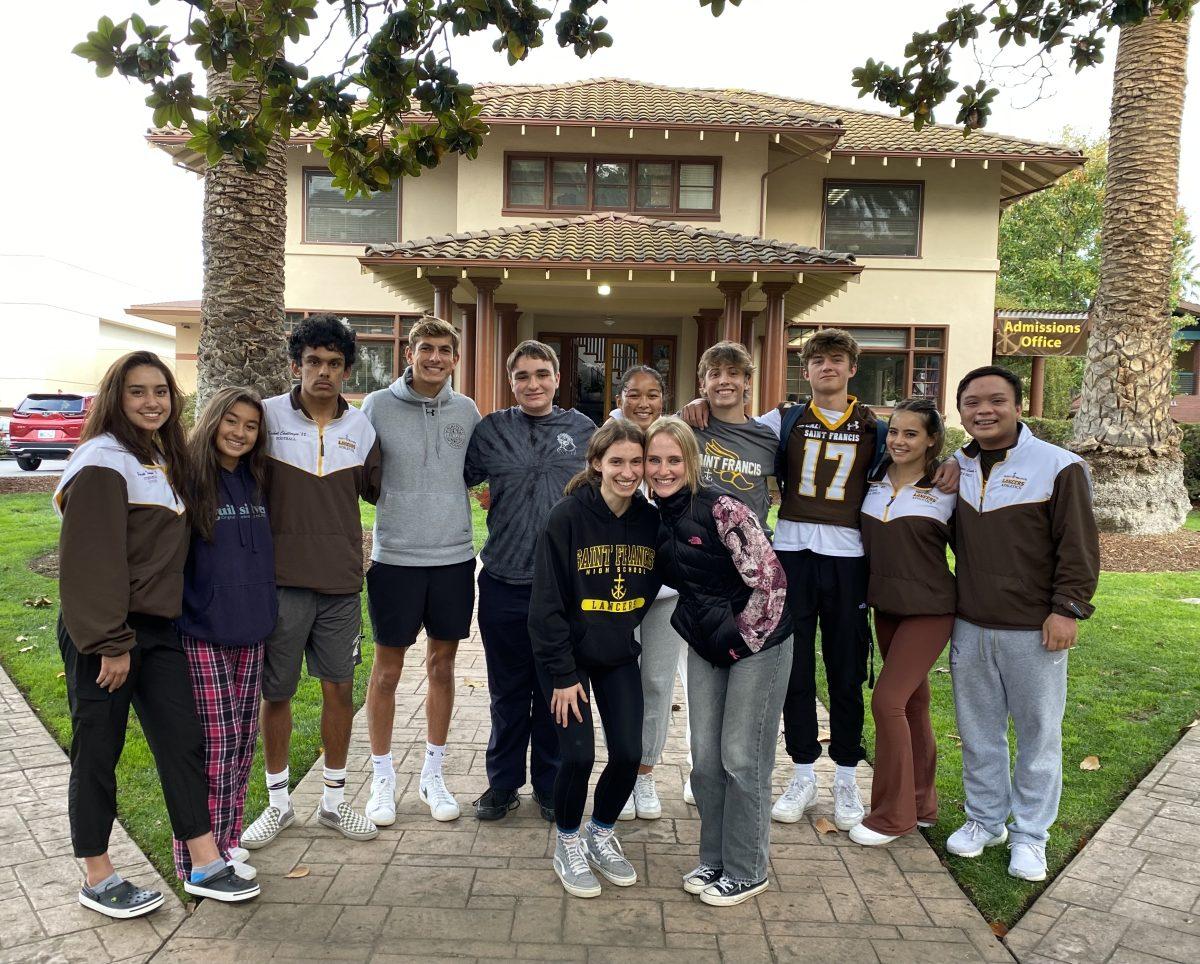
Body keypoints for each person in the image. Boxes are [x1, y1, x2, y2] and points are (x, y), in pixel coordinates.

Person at [55, 352, 259, 919]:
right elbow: (90, 561)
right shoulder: (101, 460)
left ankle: (204, 860)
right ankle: (97, 874)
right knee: (98, 751)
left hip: (160, 631)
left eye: (161, 391)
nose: (152, 402)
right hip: (108, 635)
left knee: (181, 742)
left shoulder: (162, 459)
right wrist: (109, 642)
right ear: (115, 398)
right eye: (137, 392)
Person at [946, 366, 1099, 882]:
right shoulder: (956, 467)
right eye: (971, 402)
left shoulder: (1058, 466)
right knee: (979, 732)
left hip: (1035, 628)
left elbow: (1078, 547)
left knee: (1038, 735)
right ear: (961, 410)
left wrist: (1068, 608)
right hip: (969, 623)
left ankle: (1031, 834)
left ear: (1017, 406)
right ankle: (985, 821)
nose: (983, 410)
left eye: (995, 400)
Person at [242, 315, 382, 849]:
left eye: (334, 363)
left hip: (341, 583)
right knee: (274, 693)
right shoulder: (266, 417)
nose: (323, 372)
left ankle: (332, 802)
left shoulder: (362, 427)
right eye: (313, 362)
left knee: (339, 689)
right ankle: (278, 804)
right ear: (296, 364)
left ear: (347, 369)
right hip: (277, 582)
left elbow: (379, 491)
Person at [648, 416, 792, 907]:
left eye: (673, 459)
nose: (663, 469)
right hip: (708, 640)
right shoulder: (654, 515)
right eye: (654, 460)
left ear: (691, 462)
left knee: (740, 756)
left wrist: (737, 641)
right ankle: (715, 860)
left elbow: (771, 586)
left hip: (760, 640)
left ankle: (748, 869)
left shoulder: (724, 508)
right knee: (706, 763)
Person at [529, 419, 661, 897]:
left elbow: (664, 576)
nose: (628, 472)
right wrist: (563, 675)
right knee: (579, 755)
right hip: (566, 662)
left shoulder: (649, 520)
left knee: (629, 753)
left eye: (636, 462)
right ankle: (567, 841)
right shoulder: (567, 517)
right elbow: (545, 604)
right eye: (617, 462)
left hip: (618, 653)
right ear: (597, 465)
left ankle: (600, 831)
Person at [464, 340, 595, 821]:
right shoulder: (491, 430)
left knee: (555, 691)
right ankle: (501, 784)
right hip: (502, 579)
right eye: (522, 376)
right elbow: (462, 476)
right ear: (511, 382)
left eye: (542, 374)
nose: (533, 384)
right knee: (508, 691)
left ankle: (549, 781)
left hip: (563, 588)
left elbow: (606, 492)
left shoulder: (583, 431)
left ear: (557, 378)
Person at [360, 316, 481, 825]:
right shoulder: (376, 407)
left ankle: (434, 774)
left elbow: (476, 478)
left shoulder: (468, 410)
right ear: (409, 354)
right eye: (426, 348)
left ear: (456, 359)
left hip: (453, 557)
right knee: (387, 670)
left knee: (442, 667)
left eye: (444, 351)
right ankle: (382, 778)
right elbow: (361, 477)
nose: (435, 358)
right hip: (396, 559)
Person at [172, 387, 277, 883]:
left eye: (250, 425)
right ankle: (198, 856)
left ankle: (228, 842)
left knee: (240, 742)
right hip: (203, 631)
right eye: (231, 421)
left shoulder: (257, 479)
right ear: (212, 420)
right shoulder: (188, 480)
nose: (239, 432)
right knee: (213, 746)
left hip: (251, 628)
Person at [849, 397, 956, 846]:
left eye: (912, 433)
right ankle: (922, 803)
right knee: (913, 705)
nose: (899, 441)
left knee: (887, 702)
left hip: (930, 609)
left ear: (932, 440)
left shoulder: (950, 487)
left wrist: (958, 459)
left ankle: (892, 817)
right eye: (894, 432)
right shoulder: (872, 478)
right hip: (885, 607)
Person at [610, 367, 690, 819]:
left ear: (665, 398)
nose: (643, 402)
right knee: (618, 682)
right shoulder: (611, 443)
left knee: (656, 683)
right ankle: (619, 770)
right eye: (634, 394)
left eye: (654, 394)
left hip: (665, 595)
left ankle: (644, 774)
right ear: (620, 396)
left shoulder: (670, 442)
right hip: (617, 590)